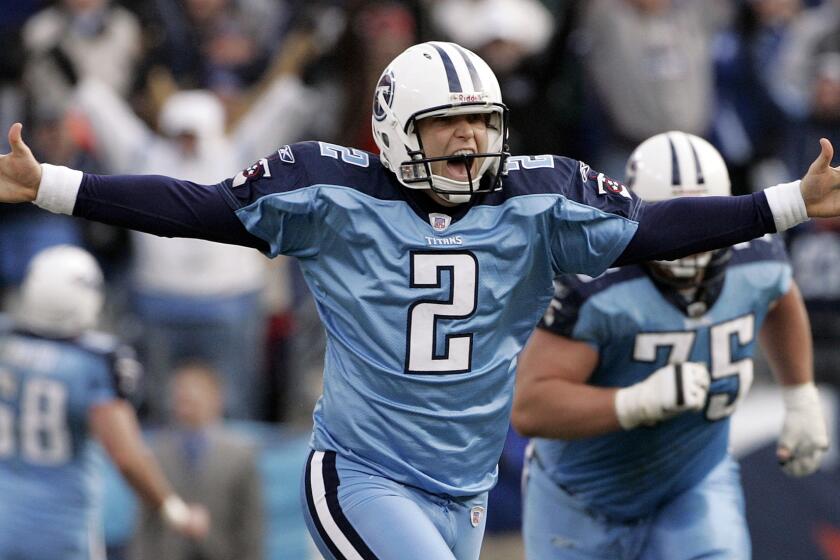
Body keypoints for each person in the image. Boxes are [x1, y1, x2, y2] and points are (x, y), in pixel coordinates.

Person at [0, 41, 839, 559]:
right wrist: (54, 187)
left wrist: (790, 203)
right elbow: (195, 208)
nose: (468, 138)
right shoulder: (329, 194)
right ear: (398, 126)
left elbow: (657, 229)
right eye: (446, 123)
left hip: (466, 487)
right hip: (363, 472)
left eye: (479, 121)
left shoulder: (538, 200)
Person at [511, 131, 830, 560]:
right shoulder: (597, 285)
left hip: (693, 483)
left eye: (704, 222)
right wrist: (636, 403)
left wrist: (800, 395)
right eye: (676, 224)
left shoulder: (756, 257)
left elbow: (780, 295)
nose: (689, 244)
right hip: (582, 498)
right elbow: (531, 406)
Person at [0, 245, 209, 560]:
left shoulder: (6, 342)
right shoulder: (94, 362)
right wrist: (173, 510)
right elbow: (126, 456)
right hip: (58, 531)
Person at [131, 362, 263, 560]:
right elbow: (144, 525)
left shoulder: (241, 455)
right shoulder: (156, 453)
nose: (186, 400)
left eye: (194, 393)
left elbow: (251, 527)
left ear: (216, 398)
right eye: (180, 394)